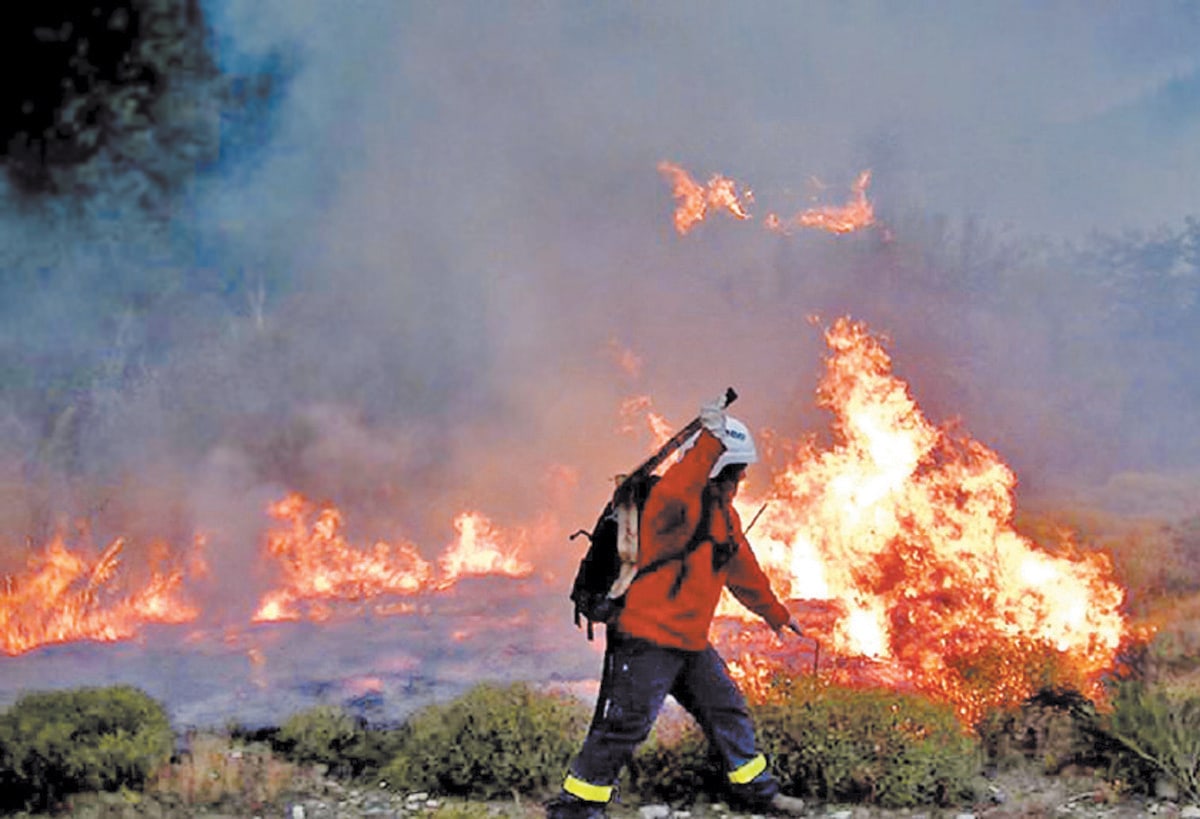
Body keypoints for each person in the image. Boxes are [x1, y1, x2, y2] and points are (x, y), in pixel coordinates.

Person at [548, 396, 807, 818]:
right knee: (625, 726)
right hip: (646, 639)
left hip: (689, 643)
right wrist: (711, 441)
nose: (741, 481)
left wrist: (775, 613)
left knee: (727, 709)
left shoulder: (725, 516)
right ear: (719, 472)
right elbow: (681, 484)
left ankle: (756, 793)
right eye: (737, 473)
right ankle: (576, 806)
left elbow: (742, 570)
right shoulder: (671, 506)